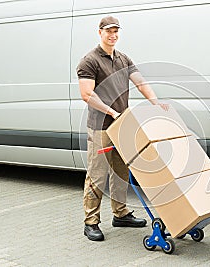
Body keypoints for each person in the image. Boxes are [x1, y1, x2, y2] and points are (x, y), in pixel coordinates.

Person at [77, 16, 168, 242]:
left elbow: (140, 82)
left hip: (121, 125)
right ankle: (91, 222)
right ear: (100, 33)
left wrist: (155, 102)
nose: (113, 35)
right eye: (108, 31)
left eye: (116, 31)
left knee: (121, 171)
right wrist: (111, 112)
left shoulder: (123, 58)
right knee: (97, 175)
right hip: (101, 128)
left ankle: (120, 213)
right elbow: (87, 94)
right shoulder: (89, 61)